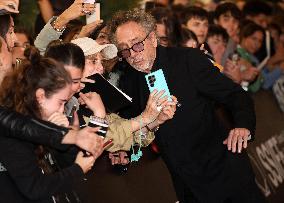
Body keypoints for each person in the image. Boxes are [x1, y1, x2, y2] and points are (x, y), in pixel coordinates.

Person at [108, 9, 265, 203]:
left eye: (137, 45)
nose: (132, 54)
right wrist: (124, 149)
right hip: (188, 187)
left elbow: (235, 95)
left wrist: (243, 126)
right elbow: (133, 126)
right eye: (124, 49)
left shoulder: (187, 60)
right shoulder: (128, 82)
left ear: (153, 39)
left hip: (226, 175)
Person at [0, 49, 104, 202]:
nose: (63, 108)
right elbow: (35, 188)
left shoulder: (41, 123)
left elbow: (67, 161)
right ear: (41, 96)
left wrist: (69, 134)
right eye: (61, 102)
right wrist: (77, 169)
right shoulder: (14, 136)